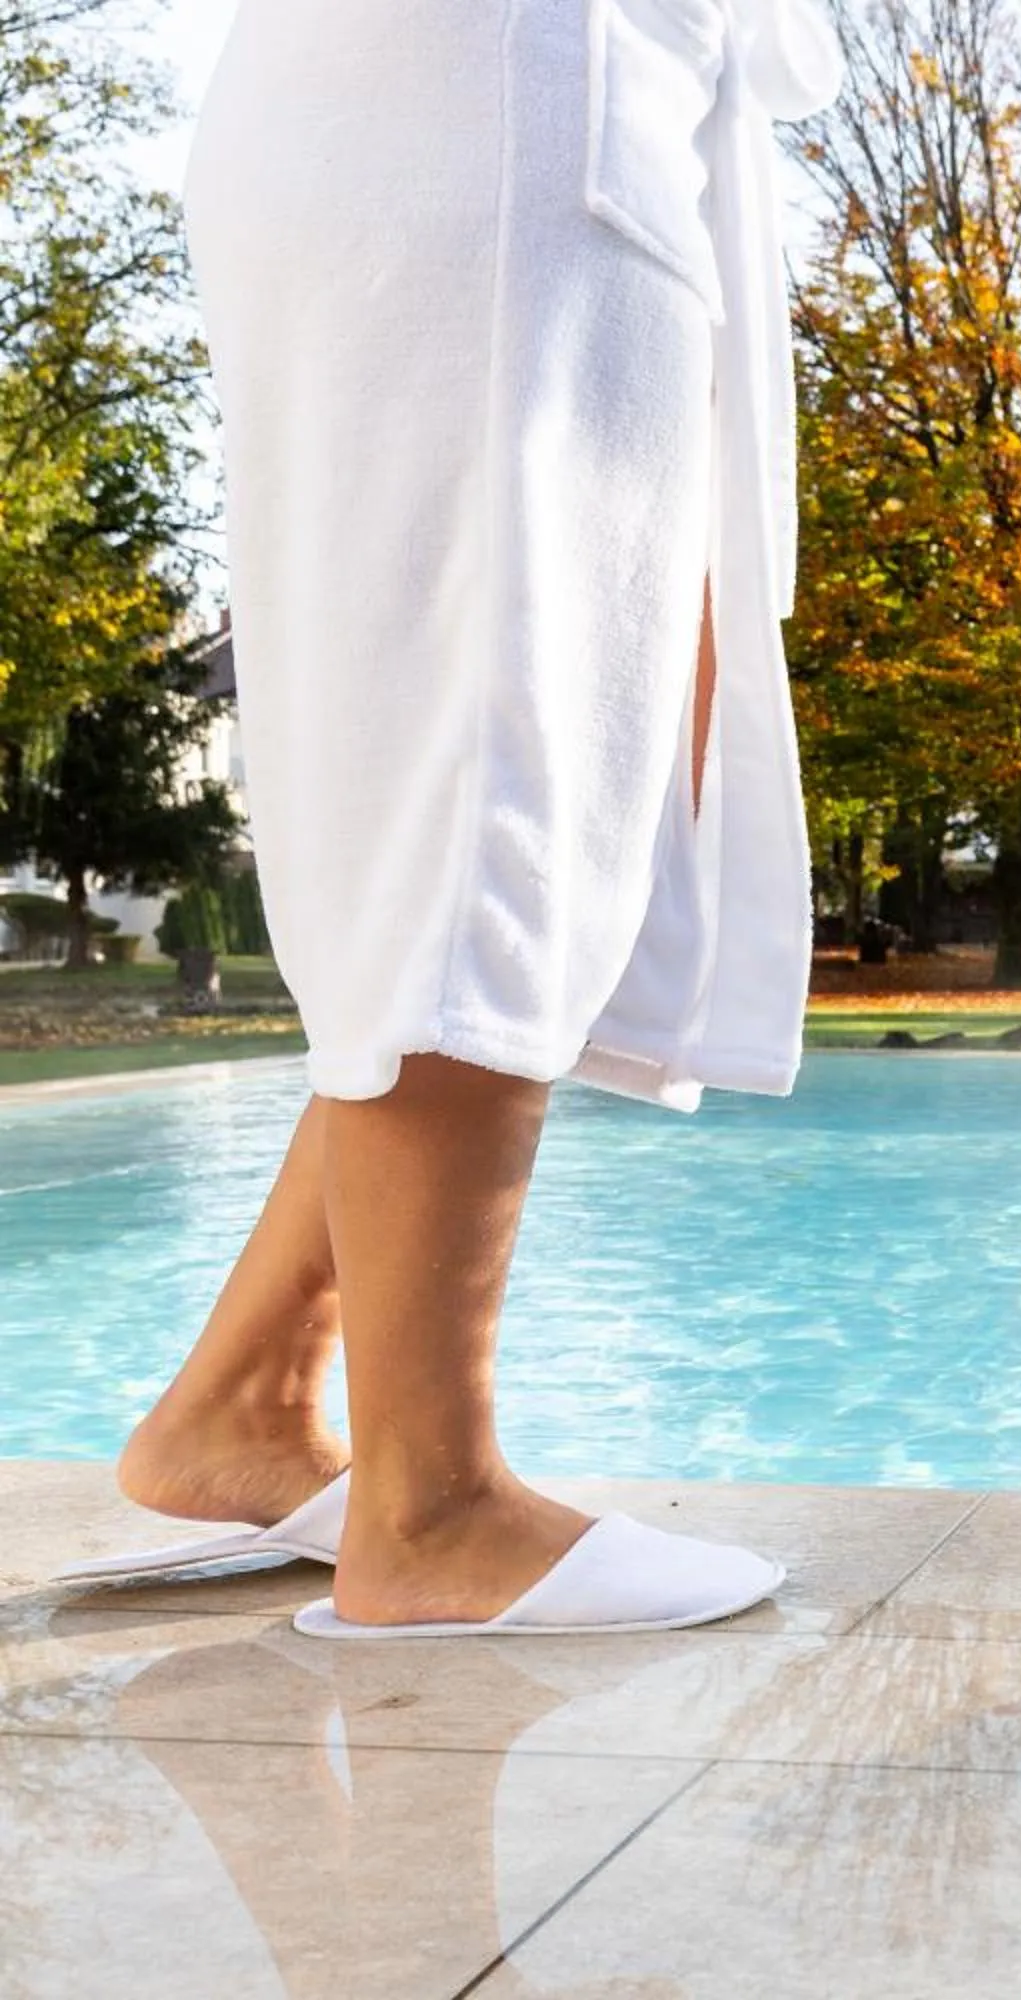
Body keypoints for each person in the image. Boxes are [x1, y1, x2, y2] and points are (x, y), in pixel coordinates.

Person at [57, 0, 842, 1637]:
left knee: (568, 745)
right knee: (501, 741)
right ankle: (430, 1504)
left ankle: (249, 1400)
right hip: (505, 94)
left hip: (524, 104)